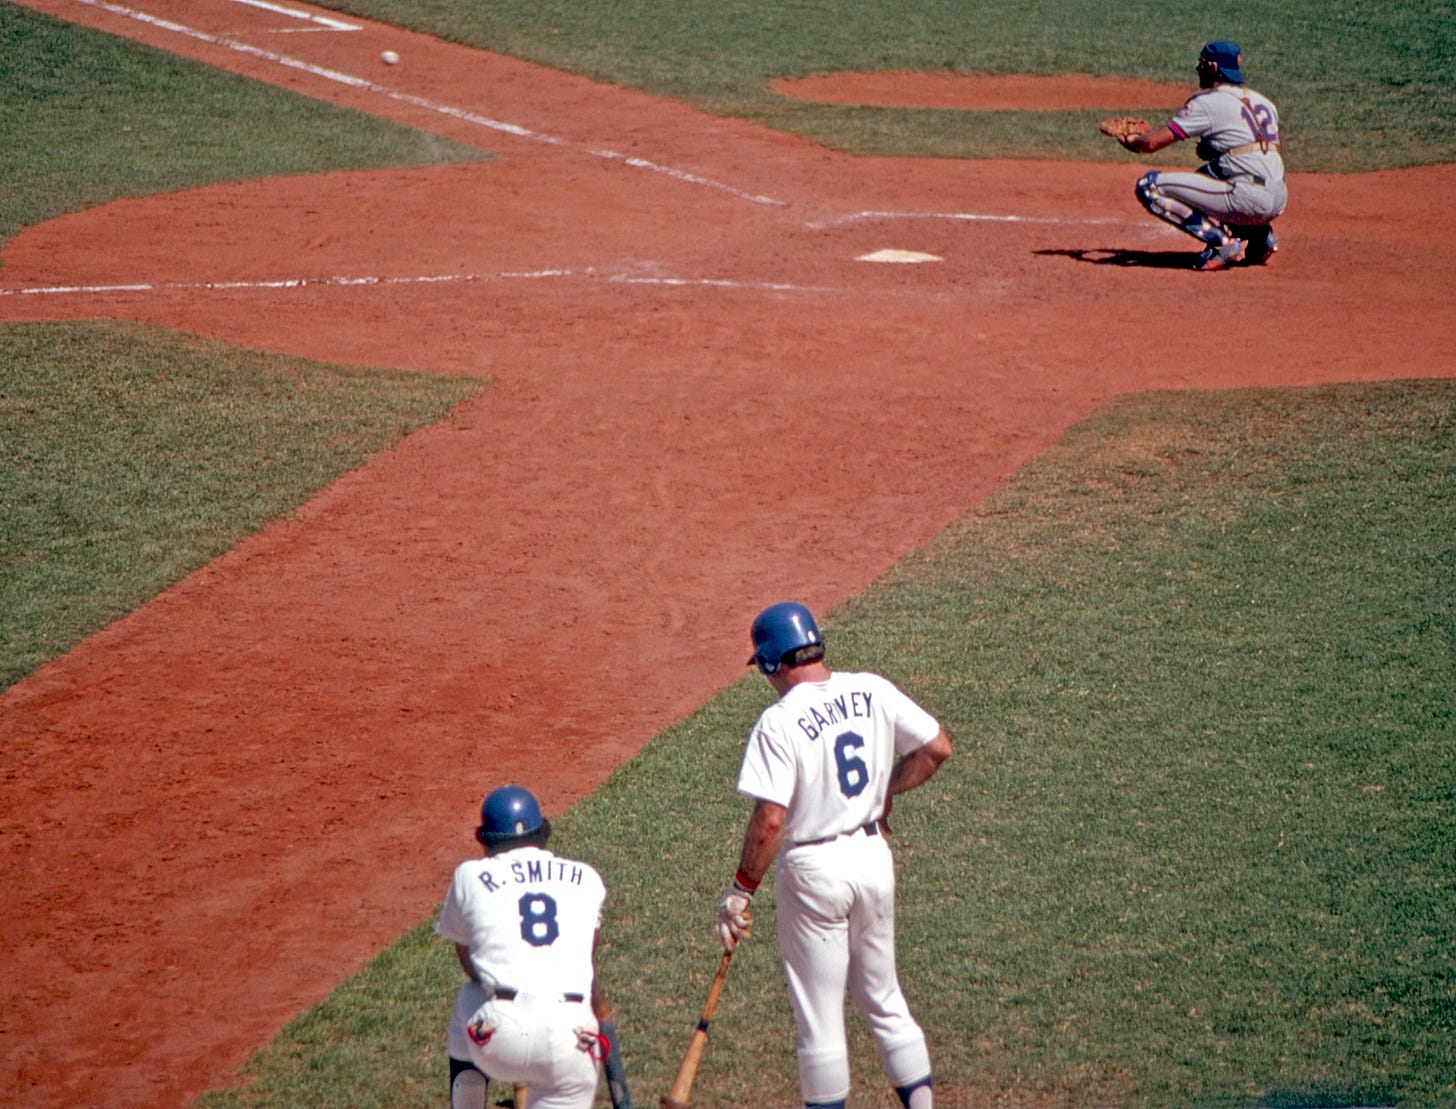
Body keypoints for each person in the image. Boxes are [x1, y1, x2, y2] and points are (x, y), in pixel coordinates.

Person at [716, 602, 953, 1109]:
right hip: (873, 857)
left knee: (820, 1018)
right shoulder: (872, 687)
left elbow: (771, 820)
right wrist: (886, 792)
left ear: (771, 663)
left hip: (813, 871)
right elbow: (936, 749)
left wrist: (741, 890)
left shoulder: (778, 721)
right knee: (885, 1000)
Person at [436, 784, 612, 1109]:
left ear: (486, 840)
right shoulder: (587, 877)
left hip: (500, 1037)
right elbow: (585, 953)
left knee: (470, 996)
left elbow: (470, 965)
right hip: (574, 1040)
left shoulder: (470, 875)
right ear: (542, 832)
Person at [1118, 39, 1286, 270]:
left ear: (1213, 68)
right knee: (1209, 173)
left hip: (1247, 199)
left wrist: (1133, 140)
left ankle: (1221, 244)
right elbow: (1266, 152)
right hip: (1277, 197)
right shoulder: (1264, 102)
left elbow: (1152, 144)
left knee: (1149, 186)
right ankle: (1260, 238)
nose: (1198, 69)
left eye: (1201, 64)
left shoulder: (1207, 102)